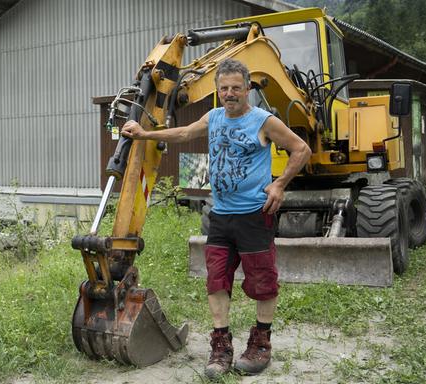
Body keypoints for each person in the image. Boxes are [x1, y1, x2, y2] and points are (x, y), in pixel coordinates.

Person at [121, 58, 311, 379]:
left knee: (262, 282)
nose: (230, 93)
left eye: (236, 87)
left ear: (247, 88)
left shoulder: (263, 121)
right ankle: (221, 346)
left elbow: (301, 148)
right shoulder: (214, 117)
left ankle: (260, 343)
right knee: (216, 281)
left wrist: (279, 184)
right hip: (220, 216)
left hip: (255, 215)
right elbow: (182, 134)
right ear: (217, 90)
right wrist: (143, 134)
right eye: (224, 88)